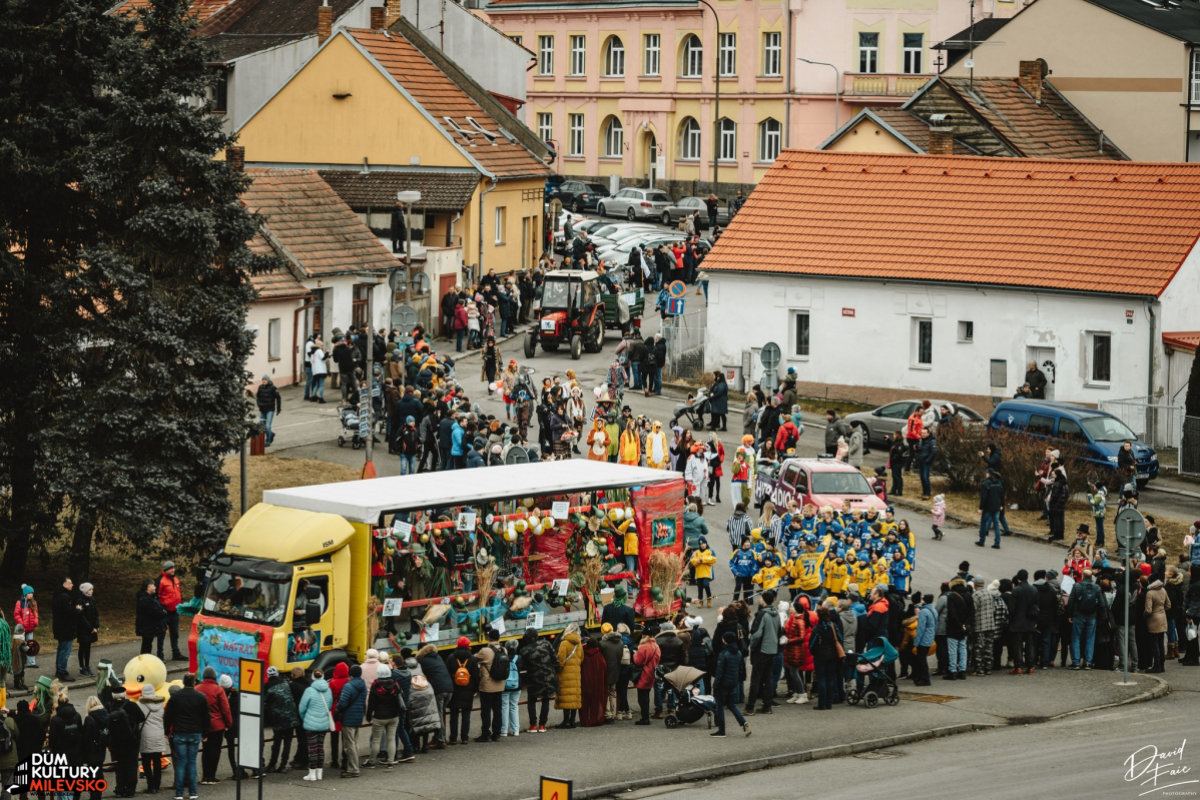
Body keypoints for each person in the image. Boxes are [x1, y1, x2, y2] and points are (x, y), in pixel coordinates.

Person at [745, 590, 781, 715]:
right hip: (772, 648)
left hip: (762, 649)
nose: (759, 600)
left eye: (761, 598)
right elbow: (779, 630)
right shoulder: (776, 613)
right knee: (768, 678)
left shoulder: (761, 614)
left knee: (755, 678)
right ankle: (767, 705)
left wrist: (751, 644)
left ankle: (750, 707)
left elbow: (757, 634)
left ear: (764, 600)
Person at [710, 631, 749, 738]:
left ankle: (721, 731)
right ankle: (743, 722)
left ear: (725, 640)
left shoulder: (723, 654)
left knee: (720, 707)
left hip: (723, 684)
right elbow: (740, 669)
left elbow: (719, 673)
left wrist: (715, 685)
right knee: (731, 705)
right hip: (733, 682)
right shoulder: (738, 653)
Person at [297, 669, 333, 782]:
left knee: (312, 748)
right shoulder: (328, 690)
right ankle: (319, 773)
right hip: (323, 723)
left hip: (311, 724)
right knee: (320, 748)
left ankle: (312, 774)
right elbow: (330, 705)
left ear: (313, 677)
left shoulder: (309, 690)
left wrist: (306, 719)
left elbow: (301, 708)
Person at [518, 629, 556, 733]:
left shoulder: (524, 650)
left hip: (533, 679)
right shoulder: (546, 644)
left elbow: (523, 666)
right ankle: (543, 725)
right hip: (548, 677)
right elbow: (555, 658)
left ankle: (533, 725)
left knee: (531, 700)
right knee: (545, 699)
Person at [1067, 570, 1107, 670]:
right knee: (1090, 639)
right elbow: (1102, 604)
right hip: (1092, 617)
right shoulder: (1097, 587)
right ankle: (1088, 662)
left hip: (1078, 615)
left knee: (1076, 638)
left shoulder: (1077, 586)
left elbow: (1071, 601)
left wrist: (1070, 615)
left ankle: (1076, 662)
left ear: (1082, 576)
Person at [264, 667, 300, 774]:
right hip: (291, 716)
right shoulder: (286, 683)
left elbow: (263, 701)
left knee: (277, 741)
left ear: (268, 675)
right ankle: (283, 765)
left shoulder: (266, 686)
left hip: (278, 718)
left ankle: (272, 764)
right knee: (287, 742)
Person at [364, 664, 401, 767]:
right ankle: (390, 761)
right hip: (393, 715)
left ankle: (371, 761)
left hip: (379, 716)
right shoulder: (395, 683)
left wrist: (368, 716)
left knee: (376, 740)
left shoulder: (375, 685)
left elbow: (371, 703)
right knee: (391, 739)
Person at [444, 637, 479, 744]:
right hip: (468, 688)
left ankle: (453, 738)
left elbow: (446, 674)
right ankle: (465, 738)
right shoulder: (472, 658)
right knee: (466, 714)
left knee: (454, 714)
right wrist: (475, 689)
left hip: (454, 689)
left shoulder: (451, 657)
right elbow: (477, 675)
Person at [474, 628, 506, 742]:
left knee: (486, 710)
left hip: (487, 686)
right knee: (497, 710)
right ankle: (496, 733)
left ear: (489, 637)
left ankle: (485, 734)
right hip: (500, 685)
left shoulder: (485, 651)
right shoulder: (504, 650)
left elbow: (474, 659)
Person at [809, 607, 843, 710]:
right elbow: (840, 639)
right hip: (832, 655)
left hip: (820, 656)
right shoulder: (833, 626)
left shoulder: (817, 629)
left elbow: (812, 645)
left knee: (821, 680)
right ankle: (829, 702)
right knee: (830, 678)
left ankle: (822, 703)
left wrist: (814, 652)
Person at [555, 623, 584, 728]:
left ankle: (565, 721)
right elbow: (581, 659)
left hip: (565, 674)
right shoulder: (579, 643)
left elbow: (560, 660)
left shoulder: (564, 643)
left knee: (566, 696)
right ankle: (572, 721)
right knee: (573, 697)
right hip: (576, 673)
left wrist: (558, 669)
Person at [632, 627, 660, 726]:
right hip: (652, 673)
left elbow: (637, 661)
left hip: (643, 673)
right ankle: (645, 717)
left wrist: (634, 655)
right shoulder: (656, 646)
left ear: (643, 635)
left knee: (642, 698)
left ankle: (645, 718)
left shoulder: (643, 647)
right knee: (646, 696)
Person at [157, 562, 185, 662]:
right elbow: (157, 596)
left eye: (173, 568)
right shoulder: (161, 580)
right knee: (161, 634)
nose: (173, 570)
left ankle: (176, 653)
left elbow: (179, 593)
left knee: (175, 633)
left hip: (175, 611)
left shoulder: (176, 579)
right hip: (165, 612)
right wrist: (161, 608)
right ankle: (160, 654)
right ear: (165, 570)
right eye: (170, 569)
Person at [52, 576, 78, 681]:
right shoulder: (65, 597)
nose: (72, 585)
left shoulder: (57, 596)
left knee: (61, 649)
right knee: (65, 650)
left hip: (59, 627)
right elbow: (69, 613)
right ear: (64, 584)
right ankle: (61, 671)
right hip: (66, 628)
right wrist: (77, 610)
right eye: (70, 583)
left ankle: (59, 668)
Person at [76, 583, 99, 678]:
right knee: (82, 647)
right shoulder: (80, 600)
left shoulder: (92, 599)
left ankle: (87, 665)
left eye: (92, 589)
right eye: (90, 590)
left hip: (92, 628)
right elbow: (81, 616)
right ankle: (82, 667)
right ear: (85, 591)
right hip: (83, 628)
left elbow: (96, 613)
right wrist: (90, 627)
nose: (91, 591)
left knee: (88, 648)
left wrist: (96, 626)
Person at [977, 469, 1005, 549]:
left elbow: (984, 497)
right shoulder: (998, 483)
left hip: (988, 507)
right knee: (996, 524)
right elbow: (1001, 495)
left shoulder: (986, 484)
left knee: (983, 523)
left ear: (988, 474)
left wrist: (980, 508)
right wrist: (1001, 505)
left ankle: (982, 541)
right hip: (997, 507)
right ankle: (997, 543)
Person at [914, 428, 936, 500]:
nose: (923, 434)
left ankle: (927, 493)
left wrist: (928, 460)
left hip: (926, 462)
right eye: (922, 433)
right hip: (920, 461)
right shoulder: (920, 440)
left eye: (924, 433)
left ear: (928, 433)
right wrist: (916, 448)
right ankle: (924, 492)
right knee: (922, 477)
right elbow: (919, 449)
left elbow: (933, 452)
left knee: (925, 477)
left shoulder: (932, 441)